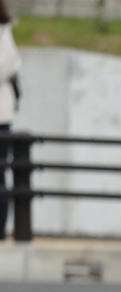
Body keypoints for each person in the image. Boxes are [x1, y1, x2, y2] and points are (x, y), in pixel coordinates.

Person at [0, 0, 20, 241]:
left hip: (1, 119)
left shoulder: (3, 32)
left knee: (0, 175)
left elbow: (9, 64)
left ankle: (0, 231)